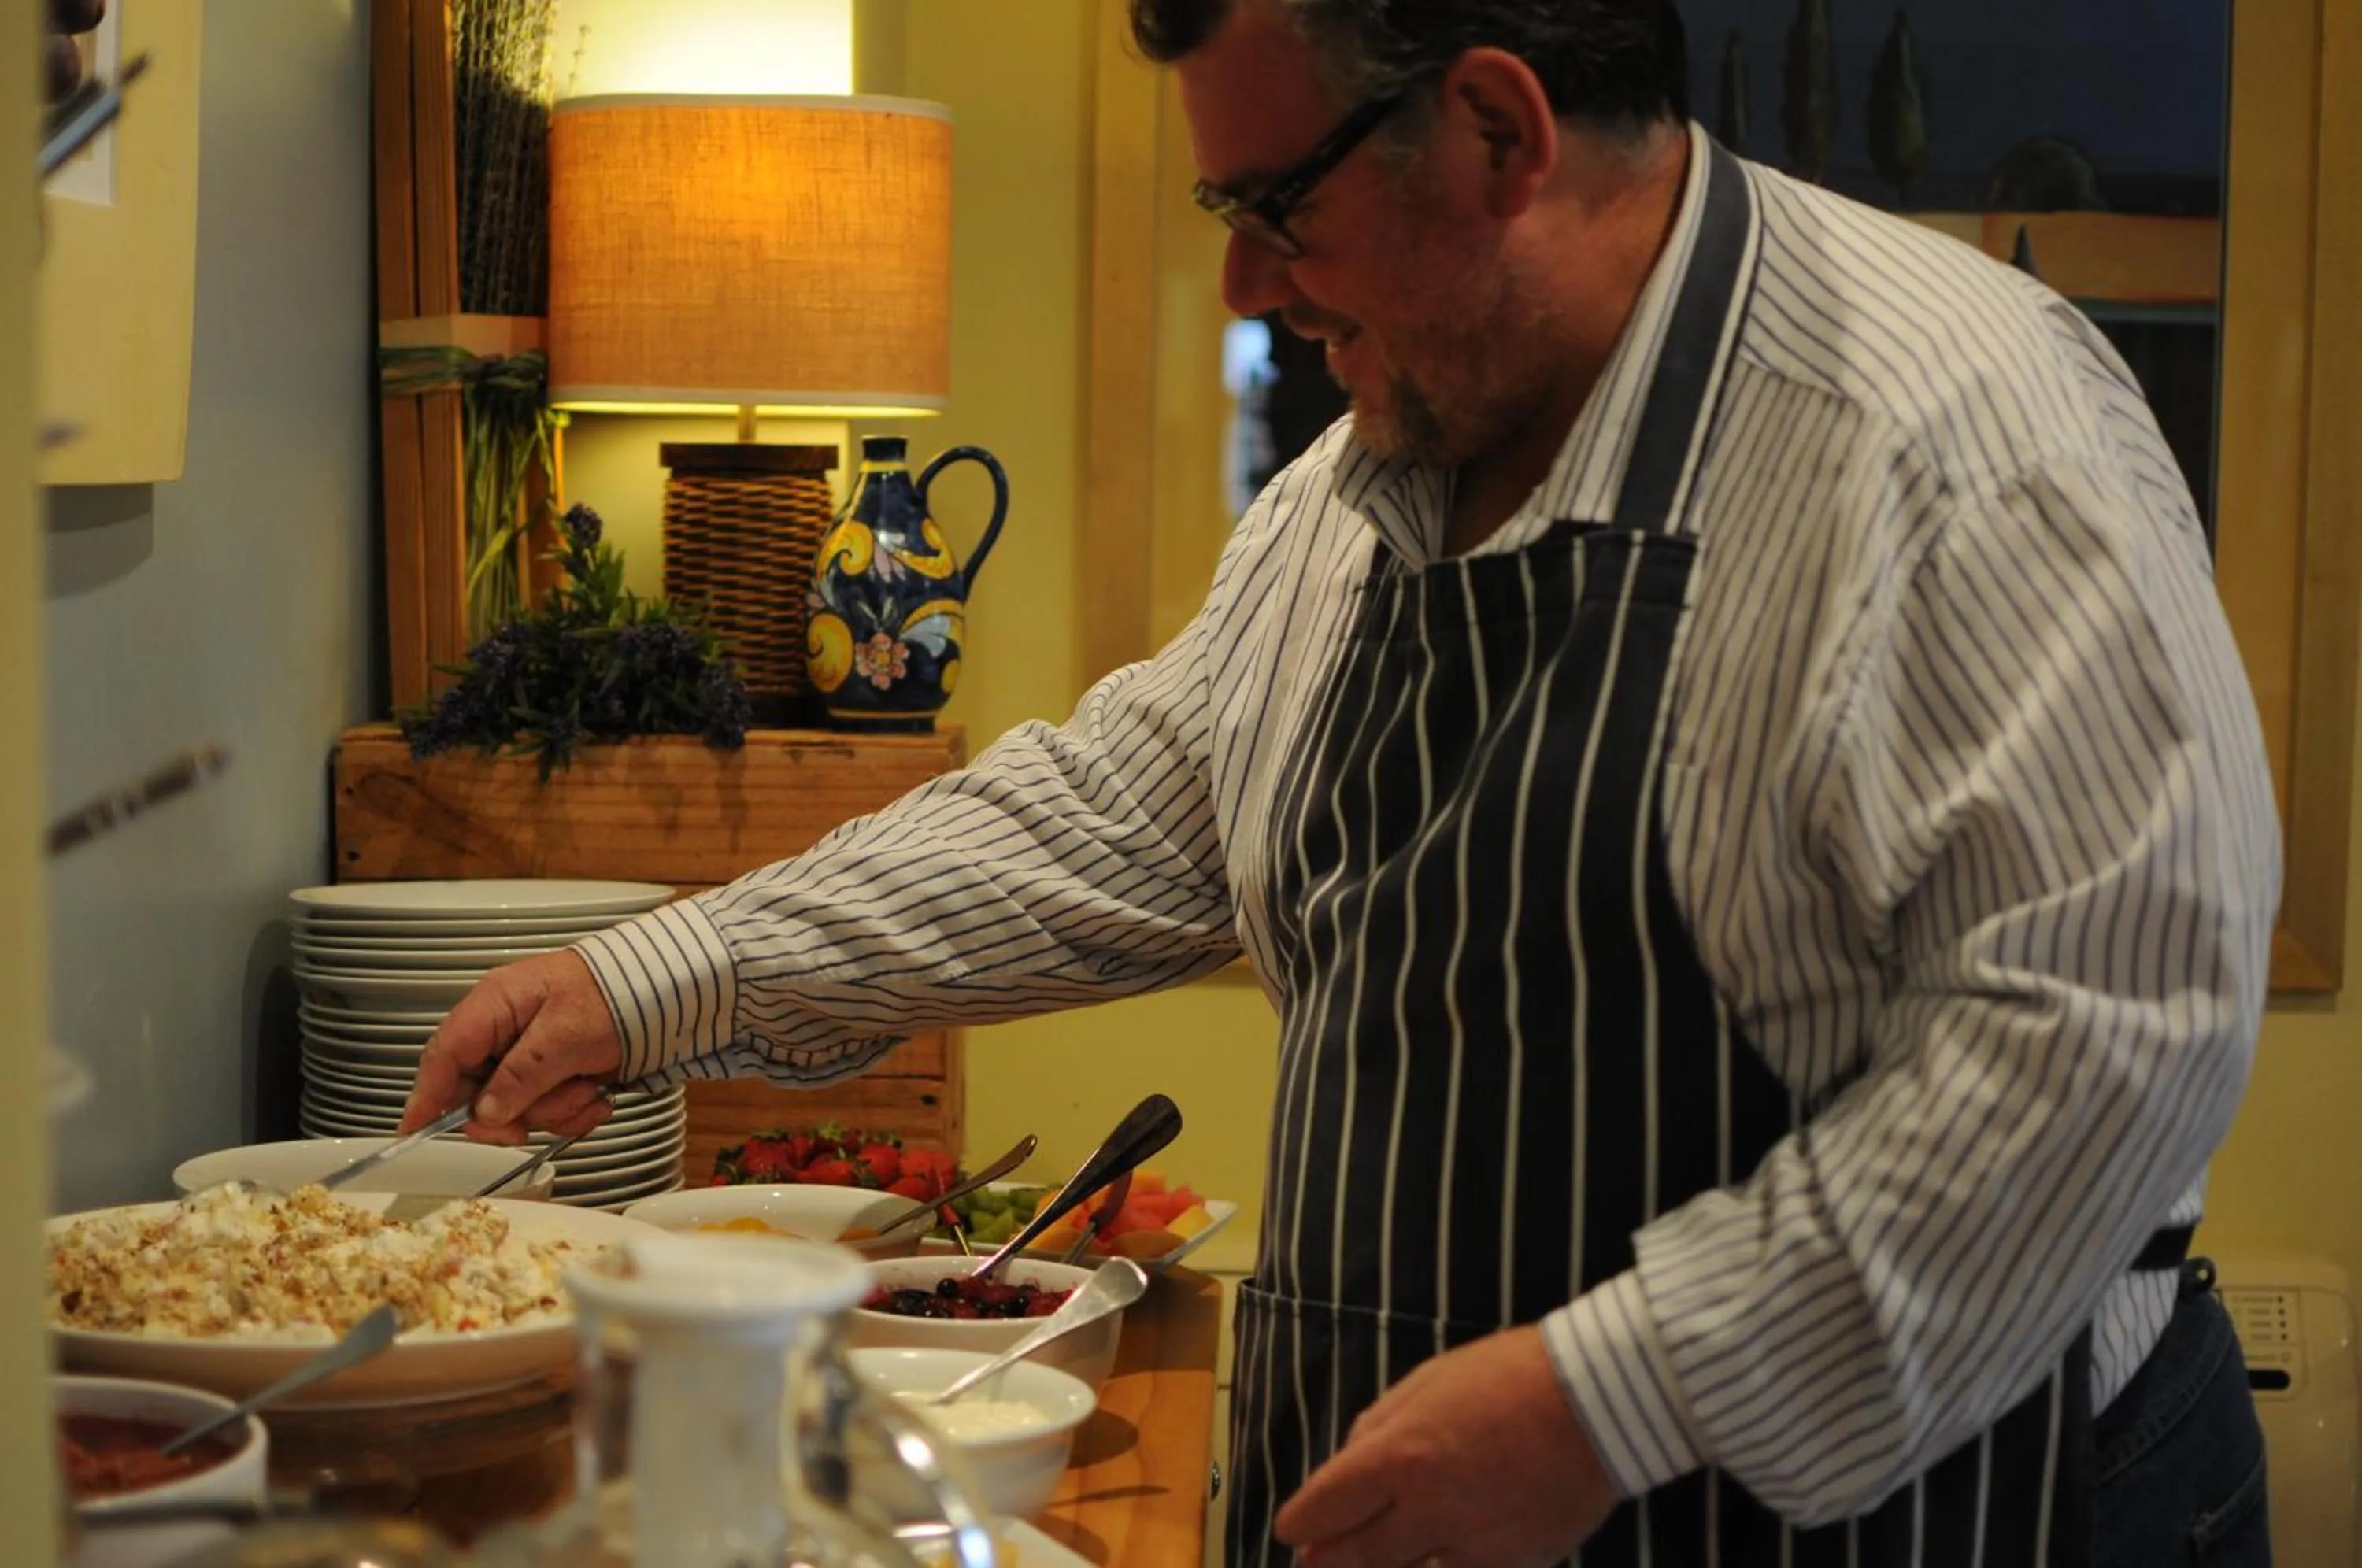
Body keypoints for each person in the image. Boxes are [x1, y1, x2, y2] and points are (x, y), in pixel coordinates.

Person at [401, 2, 2281, 1562]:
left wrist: (1606, 1397)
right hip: (1429, 1482)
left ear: (1493, 128)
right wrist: (651, 977)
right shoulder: (1364, 482)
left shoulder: (1960, 431)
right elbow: (1124, 809)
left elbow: (2101, 1033)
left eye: (1274, 202)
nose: (1238, 275)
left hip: (1918, 1500)